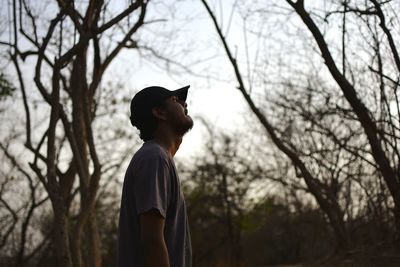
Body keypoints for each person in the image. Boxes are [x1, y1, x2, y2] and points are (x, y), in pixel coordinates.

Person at [118, 85, 194, 267]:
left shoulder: (159, 158)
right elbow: (152, 240)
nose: (185, 104)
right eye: (175, 100)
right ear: (160, 113)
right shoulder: (154, 158)